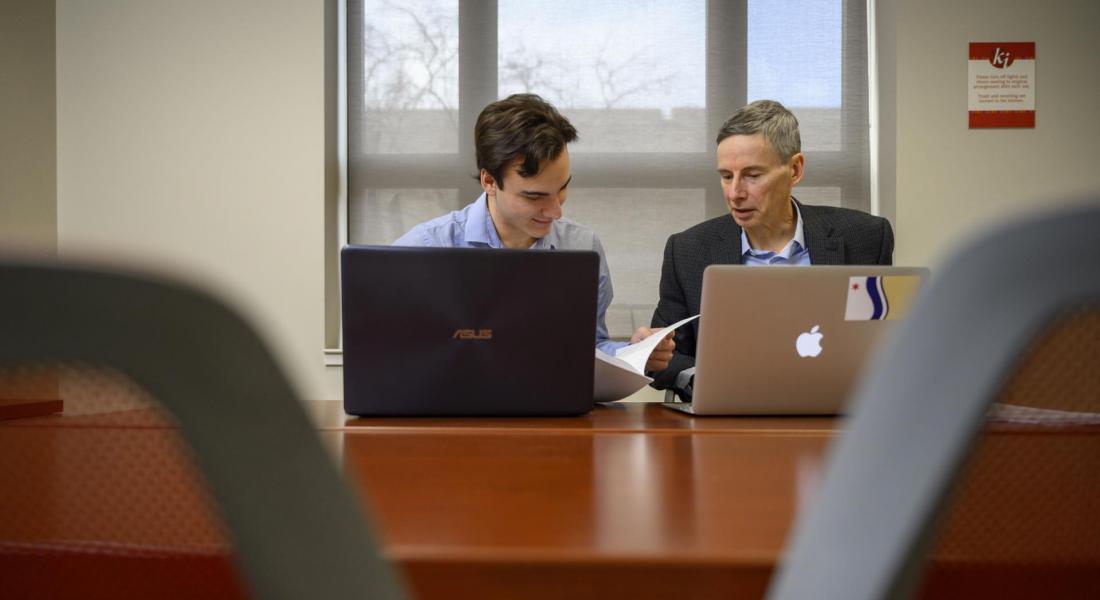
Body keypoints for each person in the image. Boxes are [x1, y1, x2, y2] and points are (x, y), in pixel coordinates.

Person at [394, 93, 674, 372]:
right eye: (534, 196)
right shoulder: (423, 248)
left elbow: (590, 348)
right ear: (489, 181)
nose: (555, 212)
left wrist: (635, 352)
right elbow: (395, 347)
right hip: (449, 408)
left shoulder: (582, 246)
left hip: (552, 410)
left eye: (562, 188)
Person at [649, 99, 893, 397]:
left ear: (795, 169)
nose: (735, 193)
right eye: (726, 176)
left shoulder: (866, 238)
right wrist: (704, 379)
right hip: (727, 421)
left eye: (752, 175)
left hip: (833, 417)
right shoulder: (687, 250)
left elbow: (885, 346)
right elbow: (662, 361)